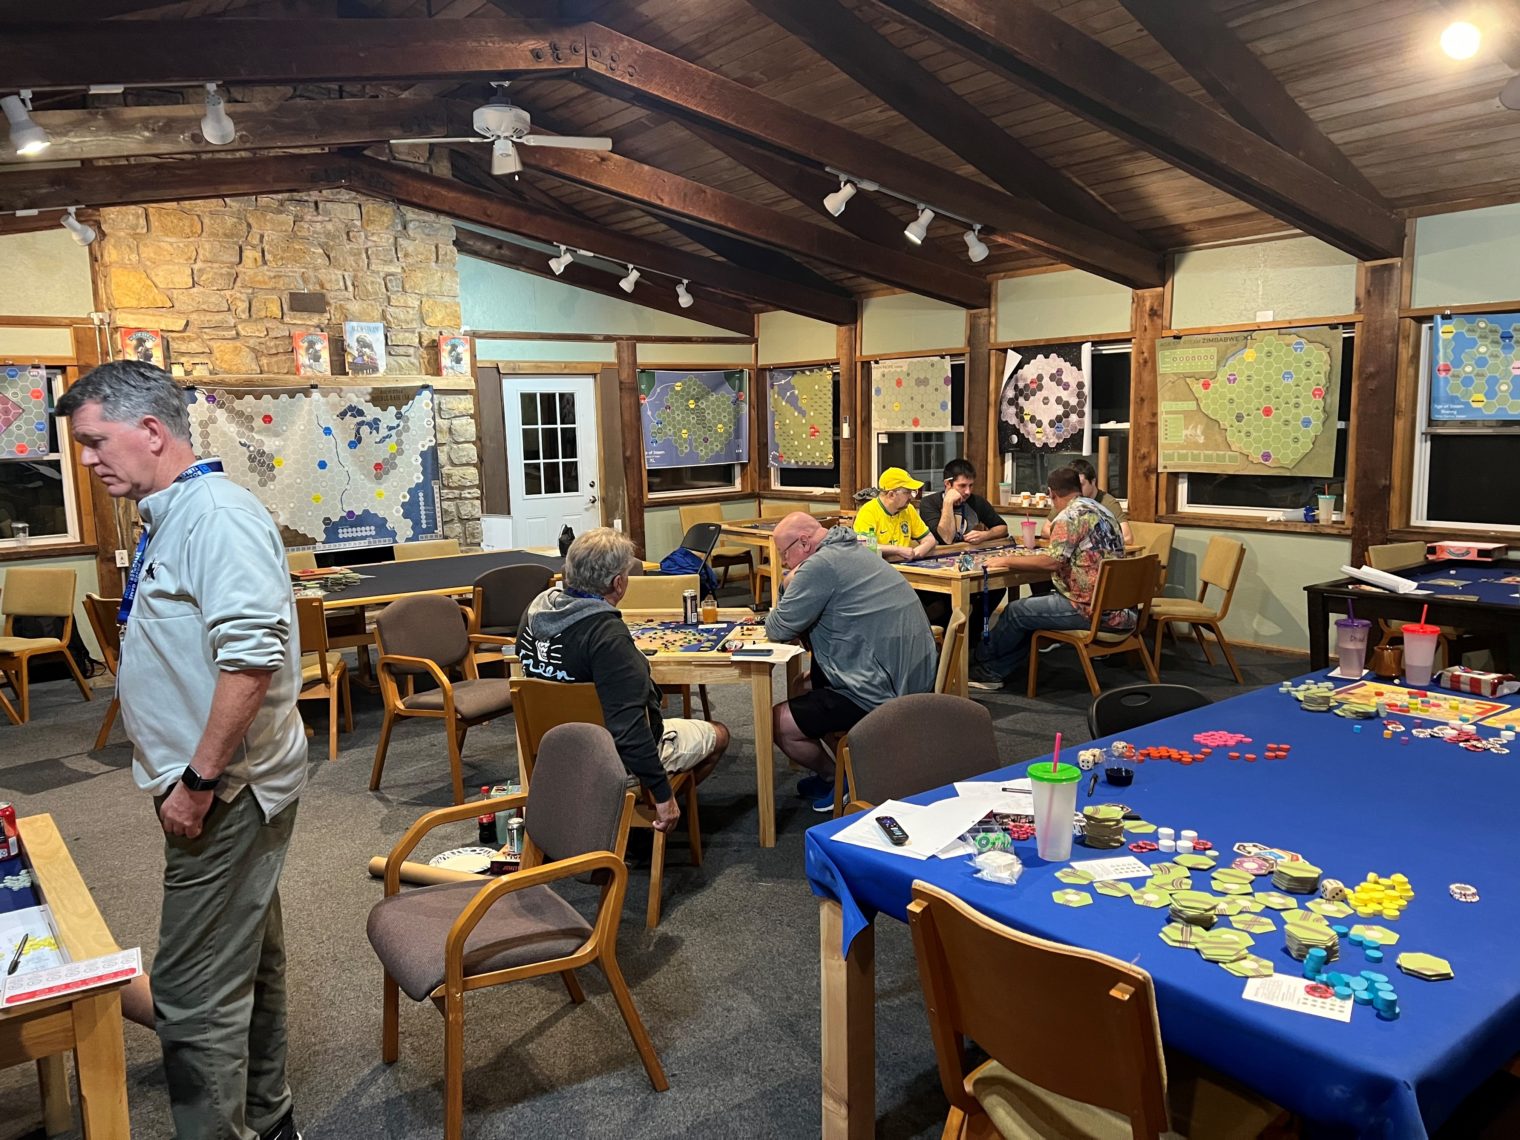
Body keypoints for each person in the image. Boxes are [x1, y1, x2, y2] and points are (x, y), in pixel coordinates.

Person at [57, 360, 306, 1140]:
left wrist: (197, 780)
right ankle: (269, 1120)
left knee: (193, 999)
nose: (88, 460)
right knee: (248, 967)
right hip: (221, 786)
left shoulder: (217, 517)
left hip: (225, 793)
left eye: (96, 441)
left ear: (152, 431)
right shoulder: (174, 515)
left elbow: (250, 658)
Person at [516, 528, 729, 831]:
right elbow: (629, 729)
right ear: (618, 583)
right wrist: (662, 793)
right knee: (719, 734)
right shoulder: (606, 636)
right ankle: (642, 809)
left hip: (551, 751)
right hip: (609, 756)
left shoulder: (534, 611)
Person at [764, 512, 937, 810]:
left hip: (881, 690)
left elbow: (778, 628)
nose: (784, 563)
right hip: (907, 674)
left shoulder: (820, 566)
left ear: (804, 542)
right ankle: (838, 769)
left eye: (784, 554)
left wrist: (786, 582)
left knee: (775, 723)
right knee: (802, 684)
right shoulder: (853, 546)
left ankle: (838, 779)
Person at [968, 465, 1133, 690]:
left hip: (1088, 608)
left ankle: (982, 664)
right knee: (1029, 612)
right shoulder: (1103, 510)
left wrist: (1005, 560)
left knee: (1016, 611)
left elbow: (1052, 562)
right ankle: (995, 667)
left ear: (1051, 493)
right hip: (1119, 606)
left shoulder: (1069, 516)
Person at [852, 466, 937, 562]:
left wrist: (916, 553)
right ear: (891, 494)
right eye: (907, 492)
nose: (911, 497)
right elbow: (864, 546)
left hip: (906, 566)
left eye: (912, 492)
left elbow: (929, 539)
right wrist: (898, 550)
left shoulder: (908, 509)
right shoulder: (868, 511)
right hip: (877, 568)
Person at [919, 458, 1009, 546]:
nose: (968, 491)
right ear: (947, 484)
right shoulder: (928, 503)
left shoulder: (977, 501)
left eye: (971, 485)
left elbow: (1003, 528)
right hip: (939, 554)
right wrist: (948, 503)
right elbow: (946, 539)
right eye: (962, 486)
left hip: (967, 553)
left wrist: (985, 535)